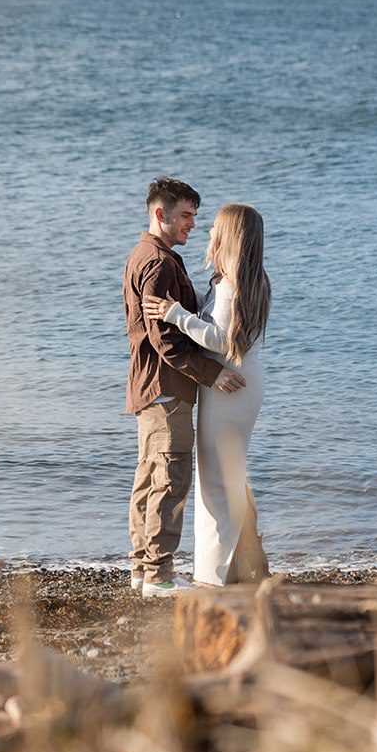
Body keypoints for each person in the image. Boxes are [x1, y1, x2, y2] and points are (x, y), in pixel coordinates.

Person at [123, 179, 245, 598]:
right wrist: (212, 375)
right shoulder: (158, 263)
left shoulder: (147, 256)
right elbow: (165, 341)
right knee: (169, 481)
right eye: (186, 216)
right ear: (161, 214)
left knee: (150, 481)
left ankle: (143, 571)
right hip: (165, 389)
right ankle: (158, 577)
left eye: (195, 216)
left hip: (150, 387)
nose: (193, 224)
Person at [142, 203, 270, 587]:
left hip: (230, 387)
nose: (208, 232)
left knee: (215, 482)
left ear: (229, 236)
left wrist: (175, 314)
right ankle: (237, 566)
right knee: (225, 476)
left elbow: (221, 339)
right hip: (243, 386)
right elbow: (216, 315)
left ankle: (215, 575)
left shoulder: (232, 286)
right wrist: (188, 302)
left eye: (215, 227)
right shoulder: (245, 280)